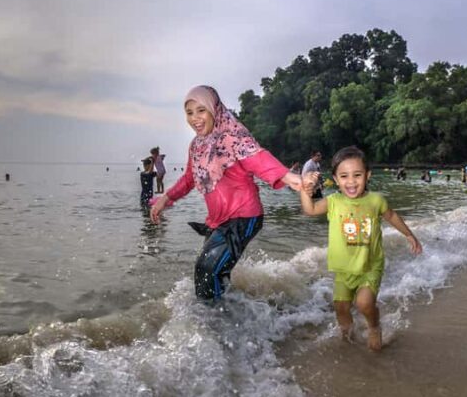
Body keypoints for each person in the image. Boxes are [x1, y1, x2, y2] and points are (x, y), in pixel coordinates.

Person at [149, 85, 303, 301]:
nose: (195, 118)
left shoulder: (232, 137)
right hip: (218, 221)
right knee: (215, 272)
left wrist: (288, 176)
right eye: (190, 112)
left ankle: (212, 324)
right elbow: (189, 178)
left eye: (201, 110)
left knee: (206, 270)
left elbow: (258, 158)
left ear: (214, 109)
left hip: (244, 216)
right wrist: (165, 198)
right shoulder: (197, 146)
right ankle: (234, 314)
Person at [300, 146, 422, 351]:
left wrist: (409, 234)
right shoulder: (333, 202)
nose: (351, 181)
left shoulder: (376, 200)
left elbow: (391, 216)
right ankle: (347, 336)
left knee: (364, 303)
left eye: (357, 175)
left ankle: (374, 326)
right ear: (336, 179)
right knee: (341, 308)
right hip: (343, 269)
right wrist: (305, 191)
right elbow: (310, 209)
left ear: (367, 175)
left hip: (370, 265)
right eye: (344, 176)